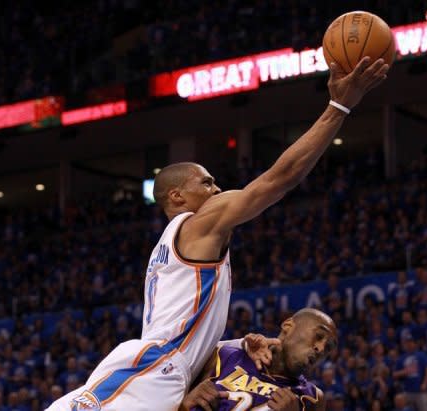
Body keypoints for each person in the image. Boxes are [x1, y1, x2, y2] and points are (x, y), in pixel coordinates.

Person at [48, 56, 389, 411]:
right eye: (207, 183)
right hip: (157, 366)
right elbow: (277, 180)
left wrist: (242, 343)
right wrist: (339, 106)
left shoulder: (180, 246)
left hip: (169, 371)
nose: (217, 189)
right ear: (177, 196)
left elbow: (194, 332)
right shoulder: (198, 224)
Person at [180, 308, 338, 411]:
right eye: (318, 336)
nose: (321, 349)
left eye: (328, 348)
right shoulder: (222, 355)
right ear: (288, 326)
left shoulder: (313, 398)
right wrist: (183, 405)